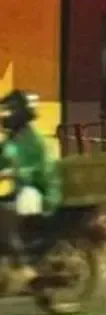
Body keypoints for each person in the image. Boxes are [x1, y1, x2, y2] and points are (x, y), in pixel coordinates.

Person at [0, 91, 61, 293]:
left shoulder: (34, 139)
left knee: (5, 214)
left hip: (41, 191)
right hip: (22, 190)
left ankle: (26, 269)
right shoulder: (11, 139)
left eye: (8, 112)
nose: (4, 116)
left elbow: (41, 169)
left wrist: (14, 172)